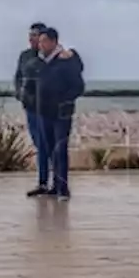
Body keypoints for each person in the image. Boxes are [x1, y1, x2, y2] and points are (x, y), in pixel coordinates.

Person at [34, 27, 84, 201]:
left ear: (53, 42)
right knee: (48, 149)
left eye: (44, 41)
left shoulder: (66, 60)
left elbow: (78, 86)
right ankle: (54, 187)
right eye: (39, 42)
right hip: (43, 112)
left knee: (59, 150)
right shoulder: (42, 62)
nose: (40, 45)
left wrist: (64, 101)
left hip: (61, 114)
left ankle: (63, 188)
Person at [15, 22, 52, 196]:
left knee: (49, 145)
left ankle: (56, 182)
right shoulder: (25, 56)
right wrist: (20, 95)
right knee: (39, 145)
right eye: (30, 36)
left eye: (35, 36)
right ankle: (42, 182)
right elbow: (18, 77)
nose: (31, 39)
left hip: (47, 108)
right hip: (30, 107)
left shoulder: (51, 57)